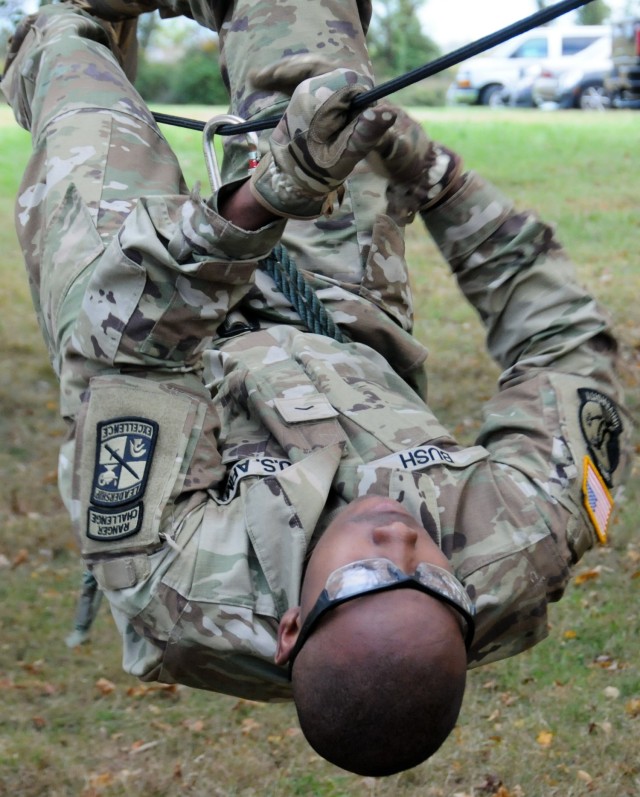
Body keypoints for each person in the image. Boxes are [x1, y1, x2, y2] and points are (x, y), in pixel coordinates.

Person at [2, 0, 633, 779]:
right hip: (336, 308)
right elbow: (563, 342)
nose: (400, 537)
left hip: (141, 311)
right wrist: (436, 179)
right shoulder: (518, 540)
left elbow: (128, 351)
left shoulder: (181, 579)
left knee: (73, 59)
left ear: (295, 624)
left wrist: (268, 197)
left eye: (370, 572)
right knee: (321, 65)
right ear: (464, 609)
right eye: (431, 573)